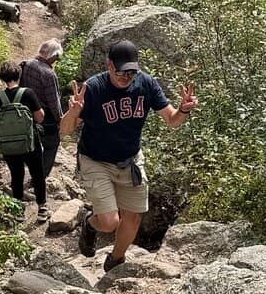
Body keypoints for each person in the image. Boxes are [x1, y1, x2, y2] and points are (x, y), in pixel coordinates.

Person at [59, 39, 197, 272]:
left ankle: (115, 260)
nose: (126, 77)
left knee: (133, 217)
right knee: (109, 222)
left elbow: (172, 121)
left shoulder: (146, 83)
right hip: (95, 160)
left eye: (131, 72)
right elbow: (65, 130)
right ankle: (91, 224)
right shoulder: (94, 88)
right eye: (122, 72)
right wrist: (73, 113)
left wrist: (183, 110)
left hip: (130, 159)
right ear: (109, 65)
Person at [0, 61, 48, 222]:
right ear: (18, 76)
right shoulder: (28, 93)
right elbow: (39, 117)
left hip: (8, 146)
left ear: (2, 78)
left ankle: (18, 210)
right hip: (30, 142)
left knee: (16, 175)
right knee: (37, 174)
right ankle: (42, 209)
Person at [21, 39, 64, 178]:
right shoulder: (48, 74)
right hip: (45, 118)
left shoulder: (26, 64)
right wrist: (60, 120)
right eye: (57, 57)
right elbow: (54, 102)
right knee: (51, 145)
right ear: (53, 56)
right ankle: (39, 177)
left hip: (26, 113)